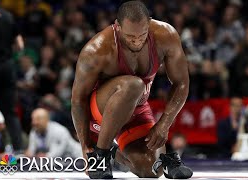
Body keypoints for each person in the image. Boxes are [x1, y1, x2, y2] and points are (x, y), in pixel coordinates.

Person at [71, 1, 193, 179]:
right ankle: (101, 154)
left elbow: (182, 83)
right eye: (130, 37)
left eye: (142, 35)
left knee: (152, 169)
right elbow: (77, 99)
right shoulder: (97, 49)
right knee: (134, 85)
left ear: (149, 23)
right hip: (100, 111)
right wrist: (85, 146)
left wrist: (164, 124)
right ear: (118, 26)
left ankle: (115, 151)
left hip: (137, 108)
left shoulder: (166, 35)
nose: (136, 41)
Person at [0, 0, 24, 153]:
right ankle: (19, 152)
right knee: (10, 113)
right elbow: (20, 45)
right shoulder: (7, 16)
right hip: (7, 68)